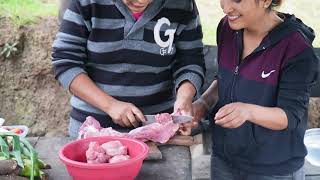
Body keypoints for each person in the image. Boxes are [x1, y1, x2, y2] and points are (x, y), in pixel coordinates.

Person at [192, 0, 319, 179]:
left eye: (237, 0)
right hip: (224, 159)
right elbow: (225, 79)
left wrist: (248, 111)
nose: (226, 7)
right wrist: (203, 103)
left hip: (273, 169)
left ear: (266, 1)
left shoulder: (296, 49)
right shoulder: (227, 28)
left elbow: (290, 116)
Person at [51, 0, 205, 137]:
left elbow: (190, 61)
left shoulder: (182, 5)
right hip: (92, 130)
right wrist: (110, 105)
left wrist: (184, 98)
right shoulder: (86, 3)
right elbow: (65, 62)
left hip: (158, 131)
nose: (141, 1)